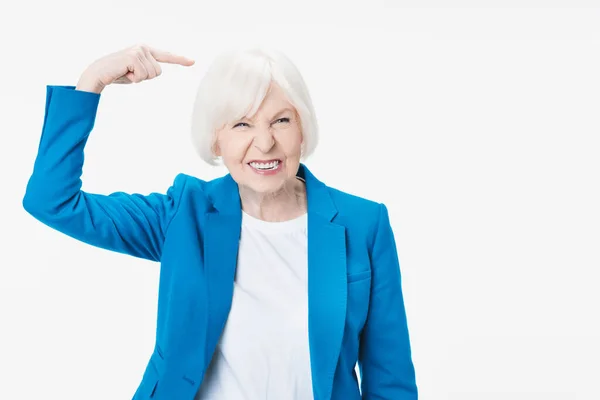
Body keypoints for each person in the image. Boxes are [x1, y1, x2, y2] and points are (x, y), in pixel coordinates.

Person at [22, 43, 418, 400]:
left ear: (302, 129)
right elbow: (52, 201)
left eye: (281, 120)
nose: (264, 144)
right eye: (242, 124)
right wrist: (92, 82)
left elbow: (391, 382)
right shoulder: (183, 215)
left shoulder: (363, 224)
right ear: (216, 139)